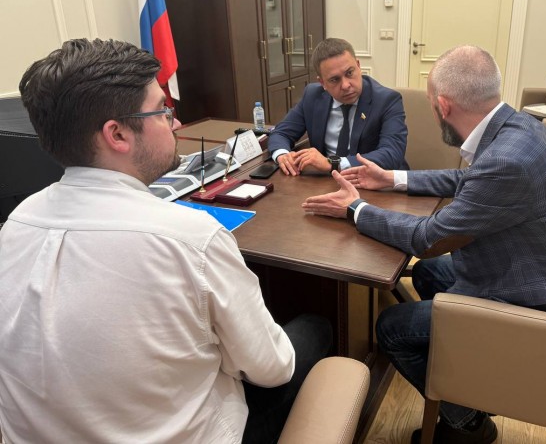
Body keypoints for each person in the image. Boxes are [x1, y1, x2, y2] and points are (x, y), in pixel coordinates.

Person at [0, 39, 331, 444]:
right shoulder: (192, 238)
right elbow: (272, 369)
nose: (175, 125)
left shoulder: (15, 224)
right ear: (117, 134)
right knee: (313, 329)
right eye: (163, 111)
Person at [302, 45, 546, 444]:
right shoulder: (520, 128)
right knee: (427, 274)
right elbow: (469, 181)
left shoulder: (506, 162)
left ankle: (467, 422)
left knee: (392, 328)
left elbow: (427, 238)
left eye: (430, 104)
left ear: (443, 106)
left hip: (542, 307)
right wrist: (393, 179)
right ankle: (464, 364)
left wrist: (355, 209)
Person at [267, 37, 408, 175]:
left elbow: (392, 154)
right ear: (322, 83)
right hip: (327, 181)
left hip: (376, 181)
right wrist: (282, 155)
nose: (346, 85)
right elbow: (281, 133)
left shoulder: (387, 100)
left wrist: (333, 163)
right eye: (334, 79)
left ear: (358, 66)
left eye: (349, 73)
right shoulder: (312, 96)